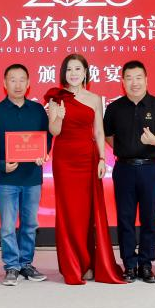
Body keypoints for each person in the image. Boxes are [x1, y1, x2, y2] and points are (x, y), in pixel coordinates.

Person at [46, 54, 125, 285]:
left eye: (78, 69)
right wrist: (59, 118)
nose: (73, 73)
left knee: (88, 212)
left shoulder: (95, 99)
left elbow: (99, 131)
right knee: (69, 212)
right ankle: (73, 265)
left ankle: (89, 262)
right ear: (64, 73)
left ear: (85, 72)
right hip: (64, 160)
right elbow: (54, 131)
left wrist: (102, 158)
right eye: (69, 69)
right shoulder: (57, 97)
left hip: (88, 159)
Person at [104, 60, 155, 283]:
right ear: (122, 81)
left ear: (146, 79)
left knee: (149, 218)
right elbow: (107, 135)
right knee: (125, 218)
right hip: (124, 168)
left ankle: (146, 264)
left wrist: (154, 141)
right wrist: (125, 149)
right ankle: (130, 264)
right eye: (129, 78)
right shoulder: (114, 108)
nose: (134, 82)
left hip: (151, 168)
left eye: (138, 77)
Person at [0, 63, 50, 286]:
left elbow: (46, 138)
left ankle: (26, 263)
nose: (18, 84)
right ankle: (11, 266)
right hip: (6, 179)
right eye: (12, 80)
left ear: (29, 83)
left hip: (32, 177)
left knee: (30, 224)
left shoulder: (38, 110)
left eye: (22, 79)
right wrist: (1, 165)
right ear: (5, 83)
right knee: (7, 226)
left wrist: (43, 153)